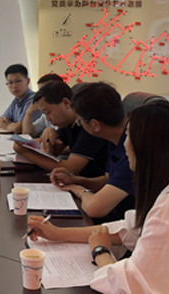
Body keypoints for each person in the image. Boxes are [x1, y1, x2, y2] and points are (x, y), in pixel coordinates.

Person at [27, 102, 169, 293]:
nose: (125, 145)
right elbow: (131, 228)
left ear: (145, 146)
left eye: (128, 136)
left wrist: (100, 251)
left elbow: (131, 286)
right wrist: (57, 233)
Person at [50, 82, 134, 222]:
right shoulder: (114, 139)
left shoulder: (132, 149)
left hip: (123, 222)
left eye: (80, 121)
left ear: (95, 124)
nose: (80, 125)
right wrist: (77, 180)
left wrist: (77, 189)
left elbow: (94, 208)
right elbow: (108, 180)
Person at [13, 81, 108, 176]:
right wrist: (48, 136)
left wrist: (24, 152)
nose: (47, 118)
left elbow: (70, 168)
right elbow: (52, 151)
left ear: (66, 103)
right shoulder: (67, 123)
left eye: (48, 112)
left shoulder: (89, 126)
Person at [0, 63, 40, 133]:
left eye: (18, 81)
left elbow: (17, 128)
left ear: (27, 81)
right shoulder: (16, 100)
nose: (14, 86)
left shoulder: (34, 99)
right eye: (10, 82)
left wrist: (10, 125)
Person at [21, 73, 64, 140]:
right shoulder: (45, 115)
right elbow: (28, 133)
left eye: (45, 92)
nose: (41, 96)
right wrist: (29, 113)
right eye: (40, 92)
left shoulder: (64, 114)